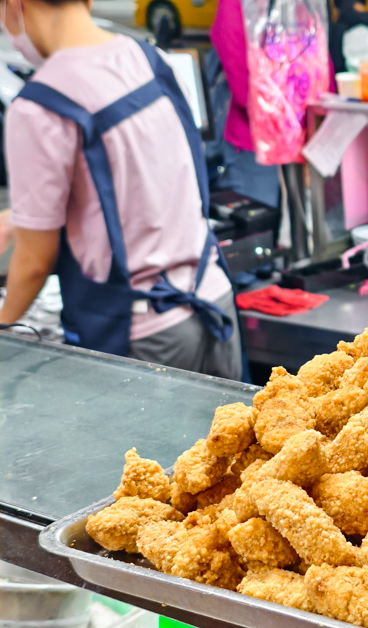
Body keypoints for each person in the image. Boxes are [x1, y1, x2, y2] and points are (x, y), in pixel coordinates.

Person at [0, 0, 243, 380]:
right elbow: (144, 179)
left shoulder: (39, 106)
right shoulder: (148, 58)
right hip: (215, 300)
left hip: (143, 338)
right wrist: (20, 219)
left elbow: (34, 262)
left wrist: (4, 330)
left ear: (15, 4)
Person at [209, 0, 281, 208]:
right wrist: (280, 117)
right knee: (260, 227)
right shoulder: (234, 4)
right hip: (254, 139)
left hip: (297, 134)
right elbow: (236, 61)